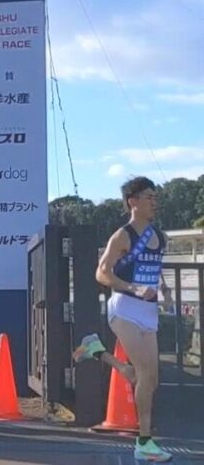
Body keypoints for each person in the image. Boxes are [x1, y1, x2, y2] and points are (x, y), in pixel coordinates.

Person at [73, 177, 172, 462]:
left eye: (155, 197)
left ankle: (96, 350)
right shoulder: (122, 236)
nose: (154, 202)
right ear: (133, 201)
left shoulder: (160, 236)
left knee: (147, 379)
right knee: (147, 375)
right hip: (125, 307)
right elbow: (101, 273)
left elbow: (155, 268)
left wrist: (164, 290)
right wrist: (132, 287)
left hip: (148, 311)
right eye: (149, 197)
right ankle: (144, 442)